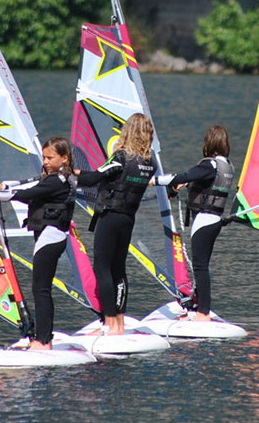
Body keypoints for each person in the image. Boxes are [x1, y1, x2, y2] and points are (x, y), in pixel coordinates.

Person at [0, 138, 78, 350]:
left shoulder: (57, 181)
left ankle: (43, 341)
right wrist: (3, 187)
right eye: (44, 157)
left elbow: (28, 193)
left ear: (64, 158)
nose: (45, 161)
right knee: (41, 289)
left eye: (50, 157)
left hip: (50, 239)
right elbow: (31, 193)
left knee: (41, 289)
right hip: (50, 237)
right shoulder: (56, 178)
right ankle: (44, 339)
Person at [76, 113, 156, 335]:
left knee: (102, 268)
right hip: (127, 219)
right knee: (119, 269)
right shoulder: (151, 163)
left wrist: (67, 173)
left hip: (110, 217)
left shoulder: (121, 157)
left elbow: (93, 178)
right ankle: (119, 323)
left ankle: (109, 324)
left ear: (128, 131)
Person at [151, 125, 235, 321]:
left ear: (209, 143)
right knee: (201, 266)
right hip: (215, 221)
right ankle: (199, 305)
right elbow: (203, 183)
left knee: (200, 267)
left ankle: (203, 313)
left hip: (204, 222)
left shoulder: (209, 165)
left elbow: (182, 176)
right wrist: (186, 184)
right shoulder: (226, 165)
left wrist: (153, 181)